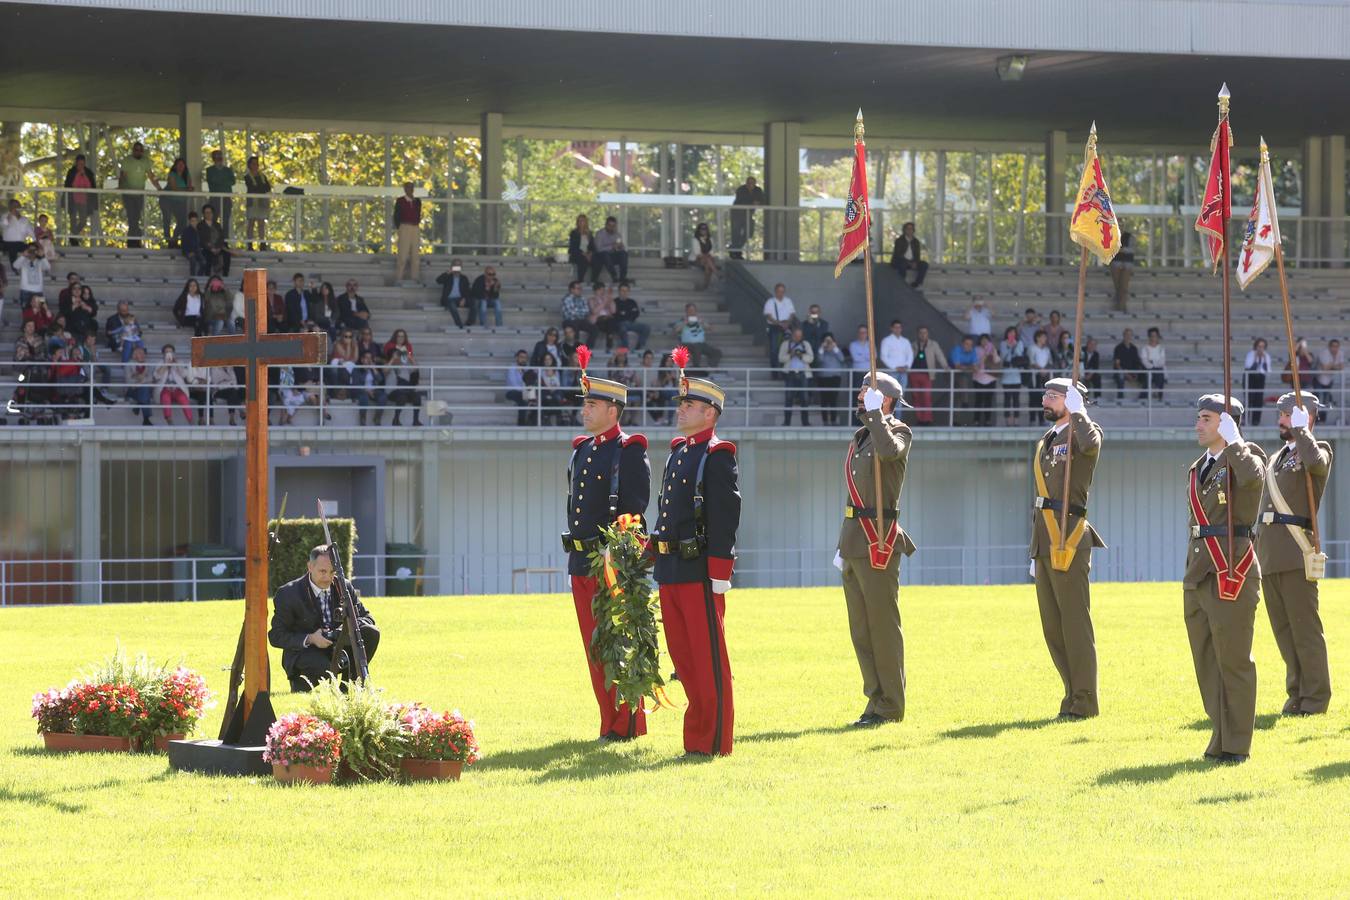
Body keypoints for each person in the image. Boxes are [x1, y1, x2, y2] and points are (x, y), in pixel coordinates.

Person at [651, 369, 741, 756]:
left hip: (700, 571)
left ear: (711, 414)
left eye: (690, 405)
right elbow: (669, 515)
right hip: (672, 570)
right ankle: (696, 740)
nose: (681, 410)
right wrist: (647, 548)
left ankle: (715, 741)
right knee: (685, 661)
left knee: (708, 661)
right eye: (681, 404)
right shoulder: (679, 453)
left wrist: (720, 573)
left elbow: (725, 516)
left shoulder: (717, 456)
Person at [561, 359, 651, 741]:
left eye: (592, 405)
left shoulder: (628, 450)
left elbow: (635, 509)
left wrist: (621, 554)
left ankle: (627, 723)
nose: (584, 410)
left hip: (610, 561)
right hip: (581, 559)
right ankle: (608, 721)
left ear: (612, 410)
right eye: (584, 404)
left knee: (617, 643)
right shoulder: (582, 450)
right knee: (593, 645)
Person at [1185, 394, 1266, 764]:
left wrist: (1236, 443)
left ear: (1226, 423)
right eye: (1199, 418)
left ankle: (1236, 745)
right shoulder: (1199, 466)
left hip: (1230, 567)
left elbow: (1252, 479)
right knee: (1206, 660)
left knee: (1233, 659)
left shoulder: (1246, 457)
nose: (1198, 424)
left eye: (1206, 418)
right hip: (1199, 571)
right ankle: (1220, 734)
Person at [836, 372, 917, 727]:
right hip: (855, 538)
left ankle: (891, 705)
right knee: (862, 628)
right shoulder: (863, 435)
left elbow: (889, 453)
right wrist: (842, 543)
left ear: (884, 399)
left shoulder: (897, 431)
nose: (858, 396)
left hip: (878, 539)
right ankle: (874, 700)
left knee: (883, 626)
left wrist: (876, 417)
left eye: (866, 392)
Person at [1030, 378, 1105, 720]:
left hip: (1069, 536)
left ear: (1073, 401)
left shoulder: (1082, 433)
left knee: (1075, 623)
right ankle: (1071, 695)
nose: (1046, 399)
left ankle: (1085, 701)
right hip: (1046, 538)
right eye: (1046, 394)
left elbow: (1091, 446)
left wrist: (1080, 413)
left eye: (1054, 396)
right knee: (1054, 626)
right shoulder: (1049, 438)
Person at [1258, 391, 1333, 717]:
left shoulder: (1317, 451)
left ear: (1306, 417)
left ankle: (1315, 699)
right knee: (1284, 631)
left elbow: (1316, 463)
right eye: (1281, 414)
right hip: (1270, 553)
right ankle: (1296, 694)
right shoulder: (1276, 458)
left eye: (1287, 414)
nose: (1281, 420)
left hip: (1295, 550)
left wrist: (1303, 432)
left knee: (1304, 629)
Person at [268, 545, 380, 692]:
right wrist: (311, 638)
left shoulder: (343, 586)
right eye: (322, 571)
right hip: (306, 652)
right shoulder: (288, 593)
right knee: (324, 668)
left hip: (338, 647)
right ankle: (301, 683)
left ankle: (349, 687)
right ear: (310, 567)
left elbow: (368, 619)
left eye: (332, 572)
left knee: (371, 632)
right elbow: (275, 636)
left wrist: (344, 630)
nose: (328, 578)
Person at [119, 142, 161, 249]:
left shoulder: (146, 161)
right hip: (128, 194)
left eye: (139, 150)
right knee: (132, 218)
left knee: (136, 218)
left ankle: (135, 241)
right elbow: (122, 177)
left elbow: (151, 176)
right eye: (135, 150)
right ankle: (133, 242)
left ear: (142, 151)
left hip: (139, 194)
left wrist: (159, 188)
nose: (137, 152)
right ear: (133, 150)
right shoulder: (127, 161)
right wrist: (121, 189)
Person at [384, 330, 421, 426]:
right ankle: (395, 420)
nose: (399, 357)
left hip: (405, 390)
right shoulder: (388, 365)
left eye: (400, 355)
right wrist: (392, 359)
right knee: (402, 396)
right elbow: (385, 371)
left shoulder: (405, 366)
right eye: (397, 355)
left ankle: (415, 420)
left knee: (417, 397)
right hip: (392, 391)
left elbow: (416, 368)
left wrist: (409, 356)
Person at [779, 325, 814, 426]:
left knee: (805, 399)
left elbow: (811, 358)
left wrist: (801, 355)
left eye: (800, 336)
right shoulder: (786, 344)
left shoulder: (805, 344)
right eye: (796, 336)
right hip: (790, 374)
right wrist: (791, 354)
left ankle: (805, 422)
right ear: (792, 335)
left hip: (803, 374)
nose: (798, 338)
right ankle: (786, 422)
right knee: (788, 398)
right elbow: (781, 358)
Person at [154, 344, 194, 425]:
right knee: (165, 398)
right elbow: (156, 376)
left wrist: (176, 364)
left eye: (170, 352)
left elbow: (184, 375)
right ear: (163, 354)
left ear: (174, 353)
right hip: (165, 388)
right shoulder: (160, 363)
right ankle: (169, 421)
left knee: (184, 399)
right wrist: (165, 365)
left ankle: (190, 421)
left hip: (177, 389)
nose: (169, 354)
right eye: (166, 352)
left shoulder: (179, 362)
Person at [815, 333, 848, 426]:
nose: (828, 343)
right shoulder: (821, 351)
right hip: (823, 377)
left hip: (835, 377)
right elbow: (819, 360)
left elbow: (842, 358)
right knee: (824, 400)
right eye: (826, 341)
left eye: (830, 340)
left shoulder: (836, 350)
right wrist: (822, 347)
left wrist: (834, 347)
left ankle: (833, 420)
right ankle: (825, 421)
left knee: (833, 399)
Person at [63, 154, 96, 246]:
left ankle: (73, 235)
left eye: (83, 163)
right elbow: (70, 184)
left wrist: (84, 175)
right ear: (76, 163)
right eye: (79, 163)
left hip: (84, 200)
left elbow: (90, 186)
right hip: (73, 199)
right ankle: (73, 241)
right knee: (72, 220)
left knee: (83, 221)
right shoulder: (72, 172)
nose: (81, 165)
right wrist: (78, 174)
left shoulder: (88, 173)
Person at [729, 175, 765, 259]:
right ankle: (736, 252)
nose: (750, 185)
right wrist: (753, 202)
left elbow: (763, 200)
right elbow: (742, 201)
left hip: (748, 215)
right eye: (749, 183)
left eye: (752, 183)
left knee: (749, 232)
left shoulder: (758, 190)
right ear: (746, 183)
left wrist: (757, 202)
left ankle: (735, 248)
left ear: (755, 184)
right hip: (737, 214)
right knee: (736, 233)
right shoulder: (741, 189)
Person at [678, 303, 722, 371]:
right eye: (690, 310)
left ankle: (710, 367)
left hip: (701, 344)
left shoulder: (700, 321)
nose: (692, 312)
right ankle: (696, 368)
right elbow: (675, 330)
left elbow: (712, 328)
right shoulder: (682, 321)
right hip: (687, 344)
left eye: (693, 310)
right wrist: (685, 323)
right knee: (697, 347)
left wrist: (702, 322)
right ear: (686, 311)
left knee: (717, 352)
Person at [162, 156, 195, 246]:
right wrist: (186, 189)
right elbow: (174, 188)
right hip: (168, 200)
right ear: (175, 166)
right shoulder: (172, 174)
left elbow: (190, 187)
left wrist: (188, 189)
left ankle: (174, 239)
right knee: (167, 219)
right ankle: (168, 239)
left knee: (183, 221)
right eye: (179, 164)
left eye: (182, 165)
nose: (181, 166)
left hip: (180, 201)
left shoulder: (187, 175)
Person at [998, 326, 1028, 427]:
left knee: (1016, 399)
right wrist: (1009, 346)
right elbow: (1003, 356)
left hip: (1016, 374)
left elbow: (1019, 355)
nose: (1012, 334)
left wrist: (1015, 346)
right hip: (1006, 374)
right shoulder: (1003, 343)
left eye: (1013, 333)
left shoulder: (1019, 343)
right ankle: (1008, 421)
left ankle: (1016, 421)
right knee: (1007, 399)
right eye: (1010, 332)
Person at [393, 181, 422, 284]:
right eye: (408, 188)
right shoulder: (400, 201)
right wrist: (400, 227)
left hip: (415, 227)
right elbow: (396, 215)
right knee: (403, 254)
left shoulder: (417, 201)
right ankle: (399, 277)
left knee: (415, 254)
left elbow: (418, 214)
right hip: (405, 226)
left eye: (412, 188)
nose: (410, 190)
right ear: (405, 189)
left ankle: (415, 277)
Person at [203, 149, 236, 237]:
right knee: (212, 220)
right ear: (213, 158)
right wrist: (223, 181)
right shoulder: (210, 170)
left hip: (226, 198)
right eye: (217, 156)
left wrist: (219, 181)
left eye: (220, 156)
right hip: (215, 198)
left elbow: (232, 181)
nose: (219, 158)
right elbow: (212, 181)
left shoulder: (228, 170)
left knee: (225, 220)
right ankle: (212, 239)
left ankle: (225, 240)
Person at [949, 335, 979, 425]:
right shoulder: (957, 350)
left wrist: (966, 368)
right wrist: (969, 367)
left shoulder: (973, 351)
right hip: (950, 374)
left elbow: (975, 367)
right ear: (962, 344)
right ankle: (965, 401)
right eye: (966, 344)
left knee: (958, 397)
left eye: (970, 345)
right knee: (962, 386)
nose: (968, 346)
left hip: (964, 375)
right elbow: (957, 366)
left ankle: (956, 421)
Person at [352, 350, 387, 426]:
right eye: (367, 358)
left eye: (370, 358)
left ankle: (377, 418)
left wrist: (374, 368)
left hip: (373, 390)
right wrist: (367, 391)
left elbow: (380, 379)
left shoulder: (372, 369)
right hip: (361, 391)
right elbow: (355, 384)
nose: (369, 360)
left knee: (383, 396)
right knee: (364, 397)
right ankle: (363, 418)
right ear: (362, 359)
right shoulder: (357, 369)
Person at [243, 156, 271, 251]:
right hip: (252, 202)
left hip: (262, 202)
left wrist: (260, 188)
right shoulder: (247, 177)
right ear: (249, 165)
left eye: (256, 164)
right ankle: (249, 244)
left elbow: (267, 187)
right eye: (253, 163)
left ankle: (262, 243)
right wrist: (260, 188)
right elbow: (252, 188)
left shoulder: (263, 176)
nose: (255, 166)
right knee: (251, 222)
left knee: (261, 223)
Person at [889, 222, 928, 288]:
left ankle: (917, 283)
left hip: (912, 262)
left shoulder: (916, 242)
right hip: (901, 261)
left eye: (911, 229)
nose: (910, 230)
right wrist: (909, 263)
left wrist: (915, 262)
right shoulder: (899, 241)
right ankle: (902, 284)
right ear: (904, 230)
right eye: (908, 229)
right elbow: (898, 255)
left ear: (913, 230)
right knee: (902, 264)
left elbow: (917, 255)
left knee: (924, 264)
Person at [437, 259, 475, 328]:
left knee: (474, 302)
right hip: (448, 299)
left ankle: (469, 322)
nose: (457, 267)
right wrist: (447, 273)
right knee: (452, 305)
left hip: (460, 299)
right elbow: (438, 281)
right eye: (455, 265)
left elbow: (467, 291)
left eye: (459, 265)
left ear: (461, 267)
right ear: (452, 266)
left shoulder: (464, 278)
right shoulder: (448, 276)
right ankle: (459, 325)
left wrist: (464, 299)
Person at [197, 203, 231, 277]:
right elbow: (201, 239)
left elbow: (221, 237)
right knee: (207, 256)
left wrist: (218, 248)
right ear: (203, 214)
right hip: (206, 248)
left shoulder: (217, 225)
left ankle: (225, 275)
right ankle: (207, 276)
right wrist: (211, 248)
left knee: (227, 254)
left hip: (218, 247)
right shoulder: (200, 225)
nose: (208, 214)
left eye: (210, 212)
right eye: (206, 212)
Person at [1244, 338, 1272, 427]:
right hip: (1250, 377)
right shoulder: (1251, 354)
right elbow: (1248, 367)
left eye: (1263, 347)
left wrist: (1263, 359)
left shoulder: (1266, 356)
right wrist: (1256, 358)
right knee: (1249, 398)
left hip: (1260, 378)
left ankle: (1256, 420)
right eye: (1259, 346)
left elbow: (1268, 370)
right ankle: (1246, 420)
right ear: (1256, 346)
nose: (1261, 349)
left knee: (1258, 399)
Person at [593, 216, 629, 283]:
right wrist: (612, 246)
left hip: (612, 256)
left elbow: (621, 248)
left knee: (624, 253)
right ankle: (614, 276)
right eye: (609, 225)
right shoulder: (600, 234)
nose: (611, 228)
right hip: (601, 256)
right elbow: (599, 249)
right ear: (606, 225)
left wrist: (620, 247)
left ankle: (622, 277)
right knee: (605, 254)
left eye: (613, 226)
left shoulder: (617, 235)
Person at [614, 282, 649, 350]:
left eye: (626, 291)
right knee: (622, 329)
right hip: (620, 324)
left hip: (632, 323)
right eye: (622, 290)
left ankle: (639, 347)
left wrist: (624, 313)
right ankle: (626, 349)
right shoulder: (615, 302)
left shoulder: (632, 302)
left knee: (646, 327)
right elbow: (616, 315)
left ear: (628, 291)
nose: (624, 292)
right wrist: (628, 313)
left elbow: (636, 314)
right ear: (619, 291)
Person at [972, 334, 999, 426]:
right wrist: (985, 355)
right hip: (978, 378)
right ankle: (976, 420)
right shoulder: (976, 349)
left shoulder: (992, 349)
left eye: (986, 340)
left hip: (990, 378)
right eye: (982, 340)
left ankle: (987, 420)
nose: (984, 342)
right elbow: (976, 363)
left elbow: (997, 361)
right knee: (978, 400)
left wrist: (993, 352)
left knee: (988, 400)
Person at [1111, 328, 1145, 401]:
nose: (1128, 336)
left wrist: (1135, 374)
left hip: (1132, 372)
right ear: (1123, 336)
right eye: (1126, 335)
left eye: (1130, 335)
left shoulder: (1134, 348)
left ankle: (1143, 397)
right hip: (1122, 372)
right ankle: (1120, 398)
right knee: (1120, 376)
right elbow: (1117, 364)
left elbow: (1137, 363)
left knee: (1146, 375)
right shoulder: (1118, 348)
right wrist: (1126, 374)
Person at [878, 320, 913, 387]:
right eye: (895, 327)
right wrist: (895, 367)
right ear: (891, 328)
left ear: (901, 328)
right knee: (892, 392)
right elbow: (883, 356)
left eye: (899, 327)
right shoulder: (886, 340)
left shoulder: (905, 341)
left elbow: (910, 355)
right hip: (892, 371)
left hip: (904, 371)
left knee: (902, 392)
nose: (897, 329)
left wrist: (907, 366)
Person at [505, 349, 534, 426]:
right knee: (524, 398)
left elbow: (531, 384)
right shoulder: (512, 368)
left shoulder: (528, 369)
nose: (523, 359)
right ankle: (522, 424)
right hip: (512, 392)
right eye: (521, 357)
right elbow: (513, 383)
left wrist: (526, 392)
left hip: (525, 392)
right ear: (517, 358)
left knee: (528, 399)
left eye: (525, 357)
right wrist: (525, 391)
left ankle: (531, 422)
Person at [560, 280, 594, 346]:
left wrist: (577, 311)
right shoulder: (567, 299)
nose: (580, 290)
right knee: (575, 327)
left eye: (581, 288)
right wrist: (581, 311)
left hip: (580, 321)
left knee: (594, 328)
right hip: (569, 321)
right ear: (572, 290)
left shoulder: (583, 298)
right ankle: (575, 349)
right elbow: (571, 313)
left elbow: (587, 311)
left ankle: (587, 348)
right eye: (578, 288)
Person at [1, 199, 35, 264]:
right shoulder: (5, 216)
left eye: (18, 206)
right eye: (14, 206)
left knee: (33, 248)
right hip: (8, 243)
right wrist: (10, 216)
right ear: (10, 207)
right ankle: (14, 268)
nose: (16, 208)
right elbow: (3, 225)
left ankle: (33, 267)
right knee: (13, 248)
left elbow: (31, 232)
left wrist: (36, 242)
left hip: (20, 243)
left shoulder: (24, 219)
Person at [588, 282, 620, 350]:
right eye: (601, 290)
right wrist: (604, 302)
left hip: (608, 321)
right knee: (611, 322)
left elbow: (613, 311)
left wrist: (611, 300)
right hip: (598, 320)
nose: (602, 292)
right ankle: (609, 341)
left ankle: (609, 341)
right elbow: (594, 311)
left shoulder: (606, 299)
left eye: (603, 290)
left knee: (611, 321)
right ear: (596, 291)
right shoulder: (591, 300)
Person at [567, 214, 598, 284]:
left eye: (583, 221)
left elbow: (593, 246)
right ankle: (580, 280)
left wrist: (590, 253)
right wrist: (584, 254)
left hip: (587, 253)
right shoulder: (574, 233)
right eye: (580, 221)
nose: (581, 222)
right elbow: (573, 247)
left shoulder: (589, 233)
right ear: (577, 222)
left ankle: (594, 279)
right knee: (582, 259)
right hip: (577, 253)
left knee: (597, 259)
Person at [471, 264, 504, 328]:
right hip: (480, 300)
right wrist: (487, 288)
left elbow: (496, 296)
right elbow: (475, 294)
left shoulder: (495, 281)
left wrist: (495, 288)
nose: (491, 276)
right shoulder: (479, 280)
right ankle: (483, 325)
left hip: (490, 300)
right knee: (483, 304)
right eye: (490, 274)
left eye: (493, 274)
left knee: (498, 303)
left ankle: (499, 326)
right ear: (485, 274)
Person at [1110, 231, 1134, 311]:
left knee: (1123, 287)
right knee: (1118, 286)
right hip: (1116, 262)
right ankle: (1119, 305)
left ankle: (1122, 305)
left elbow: (1130, 250)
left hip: (1127, 262)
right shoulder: (1112, 233)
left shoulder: (1128, 236)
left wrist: (1120, 249)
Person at [690, 222, 718, 290]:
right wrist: (706, 256)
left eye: (705, 229)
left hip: (707, 259)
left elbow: (712, 251)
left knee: (707, 266)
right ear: (699, 230)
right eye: (702, 229)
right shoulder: (695, 239)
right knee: (708, 260)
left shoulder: (710, 239)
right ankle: (717, 273)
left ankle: (705, 286)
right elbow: (697, 253)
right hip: (697, 259)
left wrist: (708, 255)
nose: (704, 231)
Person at [1141, 327, 1166, 401]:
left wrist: (1153, 363)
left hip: (1158, 369)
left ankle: (1159, 395)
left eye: (1155, 336)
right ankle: (1144, 396)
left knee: (1160, 373)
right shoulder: (1145, 348)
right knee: (1149, 375)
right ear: (1149, 337)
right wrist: (1152, 365)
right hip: (1148, 370)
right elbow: (1144, 361)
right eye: (1151, 336)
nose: (1153, 338)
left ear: (1157, 337)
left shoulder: (1161, 348)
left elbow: (1162, 361)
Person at [848, 325, 872, 400]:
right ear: (858, 333)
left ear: (867, 333)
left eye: (864, 332)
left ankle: (866, 412)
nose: (862, 334)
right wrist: (866, 356)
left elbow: (873, 357)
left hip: (868, 373)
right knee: (856, 394)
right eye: (861, 332)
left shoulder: (871, 344)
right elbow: (855, 358)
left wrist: (860, 355)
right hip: (857, 372)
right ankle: (855, 411)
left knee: (868, 394)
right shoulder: (853, 344)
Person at [178, 210, 205, 275]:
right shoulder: (186, 231)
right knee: (193, 261)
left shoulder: (199, 230)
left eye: (195, 221)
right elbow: (183, 244)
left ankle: (199, 277)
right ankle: (192, 277)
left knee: (204, 262)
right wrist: (188, 252)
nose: (194, 223)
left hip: (197, 251)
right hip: (188, 251)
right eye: (192, 221)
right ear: (190, 221)